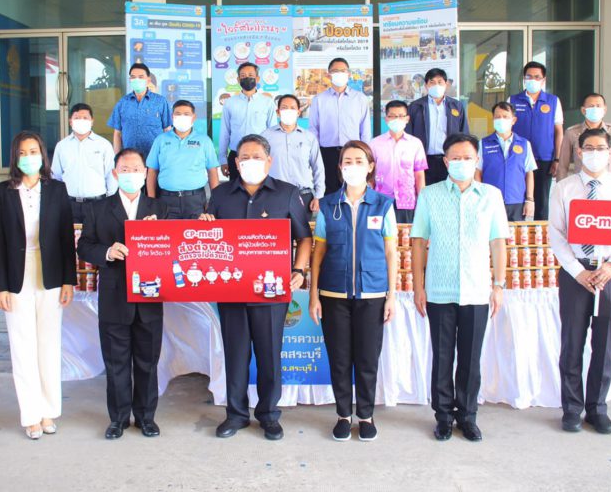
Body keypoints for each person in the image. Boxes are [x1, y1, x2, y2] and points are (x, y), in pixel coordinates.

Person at [199, 134, 312, 441]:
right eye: (244, 158)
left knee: (269, 354)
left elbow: (304, 238)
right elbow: (208, 240)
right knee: (235, 355)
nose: (250, 162)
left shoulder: (287, 193)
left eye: (257, 157)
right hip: (231, 291)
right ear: (236, 163)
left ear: (269, 161)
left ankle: (269, 415)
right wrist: (204, 225)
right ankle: (236, 415)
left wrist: (298, 270)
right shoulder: (220, 195)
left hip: (271, 292)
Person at [410, 132, 509, 442]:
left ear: (477, 160)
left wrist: (499, 285)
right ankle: (443, 417)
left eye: (467, 157)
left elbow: (498, 242)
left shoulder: (491, 195)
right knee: (442, 357)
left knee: (470, 358)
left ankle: (467, 416)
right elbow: (418, 242)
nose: (462, 162)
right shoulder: (430, 195)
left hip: (477, 290)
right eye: (456, 158)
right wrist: (418, 287)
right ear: (445, 161)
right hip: (439, 290)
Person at [548, 128, 611, 435]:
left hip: (610, 272)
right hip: (576, 273)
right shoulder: (564, 188)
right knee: (572, 342)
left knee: (605, 342)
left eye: (601, 148)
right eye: (589, 148)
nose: (595, 153)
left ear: (610, 153)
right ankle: (572, 408)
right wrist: (578, 271)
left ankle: (597, 408)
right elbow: (556, 235)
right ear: (579, 152)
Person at [77, 149, 169, 440]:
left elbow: (174, 247)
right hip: (114, 295)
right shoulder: (98, 209)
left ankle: (145, 417)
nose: (131, 174)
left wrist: (158, 235)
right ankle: (118, 419)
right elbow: (84, 246)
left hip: (150, 295)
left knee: (147, 361)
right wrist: (106, 252)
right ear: (115, 174)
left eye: (136, 169)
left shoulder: (160, 208)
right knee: (116, 362)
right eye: (125, 170)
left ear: (145, 173)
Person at [309, 141, 397, 442]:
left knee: (368, 359)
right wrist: (314, 296)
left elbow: (390, 253)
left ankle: (366, 416)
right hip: (334, 294)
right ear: (340, 167)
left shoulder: (383, 205)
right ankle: (343, 415)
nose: (353, 166)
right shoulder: (328, 205)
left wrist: (391, 295)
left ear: (370, 166)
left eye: (359, 161)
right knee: (340, 358)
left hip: (372, 294)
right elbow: (318, 253)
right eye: (347, 161)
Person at [0, 131, 75, 440]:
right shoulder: (1, 192)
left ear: (43, 155)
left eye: (34, 151)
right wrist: (0, 286)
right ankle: (30, 414)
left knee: (49, 345)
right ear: (15, 157)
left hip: (50, 273)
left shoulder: (57, 190)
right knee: (22, 346)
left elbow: (66, 237)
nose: (29, 157)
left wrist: (68, 280)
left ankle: (49, 410)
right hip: (16, 275)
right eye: (23, 153)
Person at [146, 99, 220, 219]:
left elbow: (212, 172)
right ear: (172, 117)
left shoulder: (204, 141)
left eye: (186, 114)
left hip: (195, 200)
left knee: (196, 231)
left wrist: (215, 201)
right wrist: (151, 201)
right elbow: (152, 172)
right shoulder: (160, 140)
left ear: (194, 117)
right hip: (166, 200)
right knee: (168, 231)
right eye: (178, 114)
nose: (182, 117)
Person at [308, 58, 372, 195]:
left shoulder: (360, 99)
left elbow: (365, 130)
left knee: (353, 190)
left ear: (348, 74)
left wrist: (365, 155)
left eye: (343, 71)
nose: (339, 74)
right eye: (335, 71)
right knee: (329, 191)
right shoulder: (319, 100)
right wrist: (315, 154)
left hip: (353, 153)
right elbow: (313, 129)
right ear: (329, 74)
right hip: (327, 153)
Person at [509, 61, 564, 220]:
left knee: (542, 202)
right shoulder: (513, 100)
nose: (533, 80)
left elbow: (558, 131)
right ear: (524, 79)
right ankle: (517, 233)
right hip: (518, 158)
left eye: (537, 77)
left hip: (544, 158)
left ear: (543, 80)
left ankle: (541, 234)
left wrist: (557, 159)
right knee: (518, 200)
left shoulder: (553, 101)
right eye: (529, 76)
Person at [51, 102, 117, 223]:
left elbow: (111, 174)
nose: (81, 121)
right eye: (77, 118)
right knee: (69, 234)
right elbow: (56, 176)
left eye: (85, 118)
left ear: (92, 121)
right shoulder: (61, 146)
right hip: (69, 203)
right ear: (70, 121)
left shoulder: (104, 145)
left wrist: (110, 200)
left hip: (98, 203)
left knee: (98, 234)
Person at [262, 94, 325, 214]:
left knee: (302, 227)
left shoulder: (309, 137)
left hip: (303, 195)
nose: (288, 111)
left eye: (292, 108)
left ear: (298, 112)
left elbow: (318, 168)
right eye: (284, 108)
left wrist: (318, 196)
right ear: (278, 112)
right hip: (274, 195)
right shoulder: (266, 136)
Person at [406, 68, 469, 186]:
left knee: (449, 192)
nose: (436, 85)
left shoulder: (456, 106)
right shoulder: (416, 106)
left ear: (446, 84)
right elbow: (408, 135)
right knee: (425, 193)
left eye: (440, 82)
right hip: (423, 161)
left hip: (449, 160)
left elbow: (464, 134)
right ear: (426, 85)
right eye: (432, 82)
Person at [475, 102, 537, 221]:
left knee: (515, 233)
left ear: (513, 120)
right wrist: (479, 197)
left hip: (516, 201)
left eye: (505, 116)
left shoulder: (524, 144)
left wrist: (530, 200)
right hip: (490, 200)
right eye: (497, 117)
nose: (501, 120)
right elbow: (477, 173)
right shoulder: (483, 144)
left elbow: (529, 173)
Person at [370, 100, 428, 223]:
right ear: (386, 119)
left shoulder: (415, 143)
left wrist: (422, 202)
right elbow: (370, 175)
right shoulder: (374, 144)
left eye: (401, 116)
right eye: (392, 116)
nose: (397, 119)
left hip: (407, 202)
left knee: (405, 234)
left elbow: (419, 176)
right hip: (380, 201)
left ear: (407, 119)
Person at [218, 63, 278, 181]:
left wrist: (271, 158)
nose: (247, 78)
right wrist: (223, 160)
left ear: (257, 78)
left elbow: (273, 133)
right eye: (243, 76)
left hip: (260, 156)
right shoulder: (230, 103)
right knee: (236, 190)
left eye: (251, 75)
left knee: (261, 190)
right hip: (236, 155)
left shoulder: (267, 102)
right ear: (238, 80)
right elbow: (225, 132)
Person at [557, 93, 611, 181]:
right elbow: (563, 166)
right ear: (583, 110)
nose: (595, 109)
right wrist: (560, 186)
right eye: (591, 106)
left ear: (604, 110)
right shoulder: (571, 133)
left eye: (598, 106)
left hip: (608, 183)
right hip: (580, 183)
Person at [108, 63, 171, 156]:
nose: (136, 80)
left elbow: (167, 130)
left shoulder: (160, 101)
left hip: (155, 157)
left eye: (141, 77)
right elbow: (117, 133)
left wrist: (167, 156)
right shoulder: (122, 103)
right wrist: (116, 157)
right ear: (130, 80)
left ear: (148, 80)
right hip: (130, 158)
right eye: (133, 77)